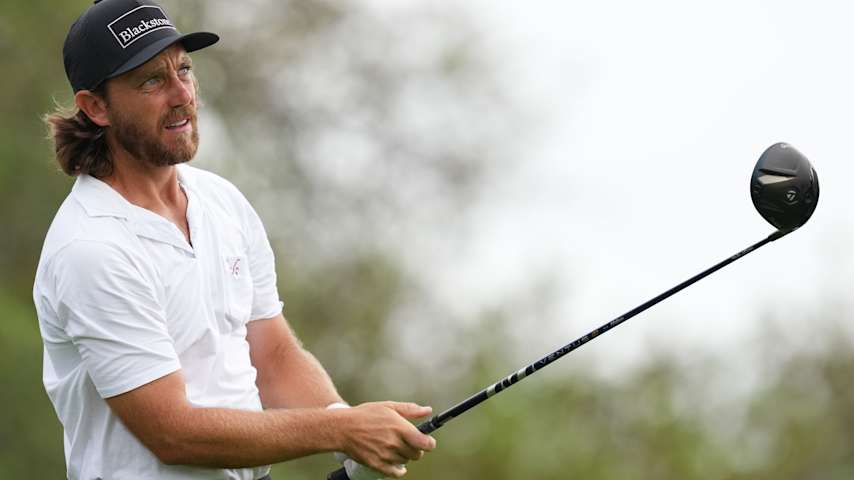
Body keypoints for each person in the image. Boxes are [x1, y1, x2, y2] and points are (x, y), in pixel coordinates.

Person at [33, 1, 436, 479]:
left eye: (184, 69)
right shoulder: (92, 248)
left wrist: (343, 426)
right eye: (152, 81)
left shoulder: (220, 200)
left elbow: (272, 355)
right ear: (96, 107)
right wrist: (342, 431)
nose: (182, 94)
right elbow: (172, 432)